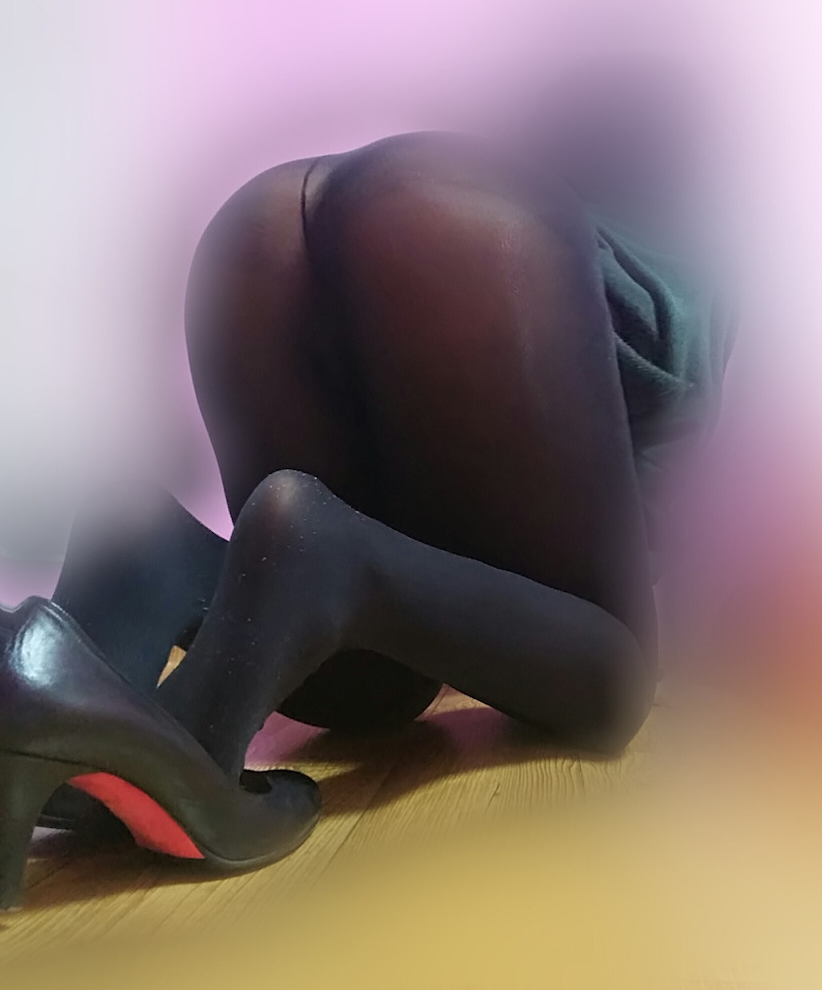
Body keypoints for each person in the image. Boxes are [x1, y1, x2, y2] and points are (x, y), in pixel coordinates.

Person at [0, 124, 733, 909]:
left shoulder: (550, 229)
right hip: (461, 230)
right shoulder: (677, 273)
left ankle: (144, 562)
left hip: (256, 229)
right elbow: (634, 533)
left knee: (364, 692)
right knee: (611, 683)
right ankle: (225, 703)